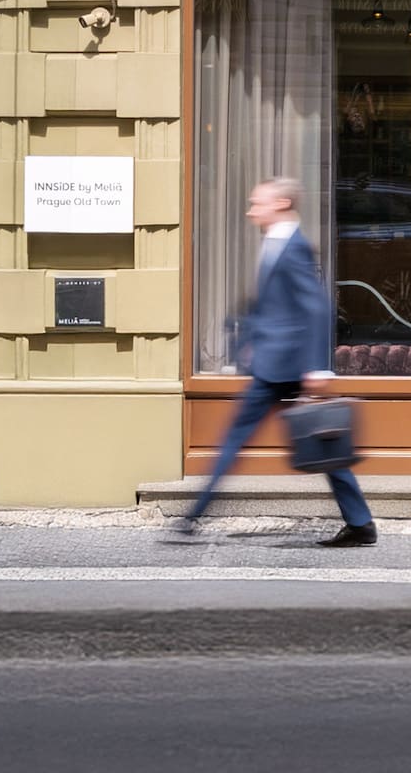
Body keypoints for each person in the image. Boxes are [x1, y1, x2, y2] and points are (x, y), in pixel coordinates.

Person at [168, 177, 376, 547]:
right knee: (319, 441)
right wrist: (250, 342)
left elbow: (317, 306)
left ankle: (191, 518)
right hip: (273, 362)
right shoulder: (274, 242)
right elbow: (275, 306)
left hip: (289, 367)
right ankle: (360, 523)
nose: (251, 210)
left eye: (257, 203)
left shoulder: (293, 246)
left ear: (281, 202)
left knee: (262, 440)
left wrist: (317, 366)